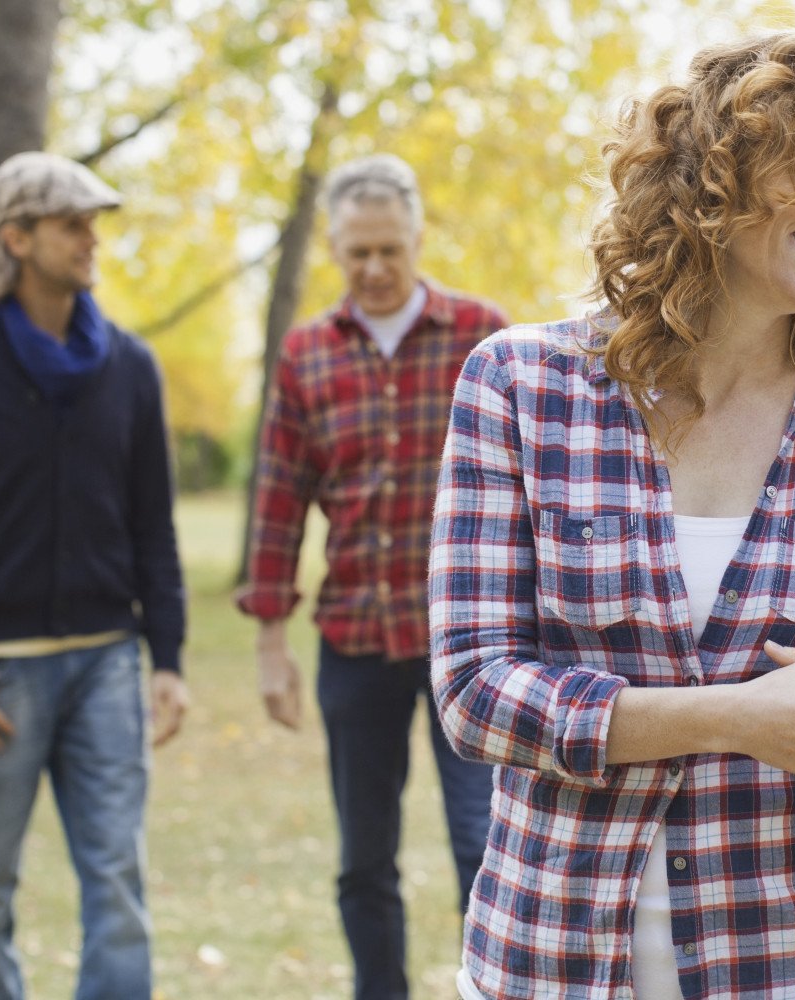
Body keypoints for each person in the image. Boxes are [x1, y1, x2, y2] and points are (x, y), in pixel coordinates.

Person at [430, 34, 795, 1000]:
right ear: (726, 156)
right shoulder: (520, 384)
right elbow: (476, 691)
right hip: (549, 961)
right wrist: (733, 718)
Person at [0, 150, 189, 1000]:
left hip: (106, 664)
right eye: (72, 224)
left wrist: (166, 659)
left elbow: (152, 524)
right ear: (15, 237)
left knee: (118, 884)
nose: (92, 239)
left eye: (94, 222)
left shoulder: (130, 365)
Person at [237, 153, 506, 999]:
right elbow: (280, 500)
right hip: (354, 640)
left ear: (417, 239)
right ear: (336, 250)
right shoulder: (308, 353)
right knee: (363, 857)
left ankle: (490, 985)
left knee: (485, 841)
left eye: (391, 250)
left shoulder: (482, 335)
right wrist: (271, 644)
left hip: (471, 645)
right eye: (358, 254)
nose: (376, 269)